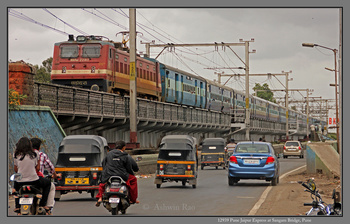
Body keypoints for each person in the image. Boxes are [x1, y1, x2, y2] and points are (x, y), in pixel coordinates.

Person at [13, 137, 51, 214]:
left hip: (20, 182)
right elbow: (38, 168)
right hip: (34, 181)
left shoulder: (16, 154)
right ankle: (43, 204)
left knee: (16, 189)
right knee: (48, 183)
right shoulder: (35, 153)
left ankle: (17, 206)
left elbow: (16, 170)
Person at [95, 140, 139, 206]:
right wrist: (131, 174)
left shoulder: (109, 154)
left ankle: (100, 197)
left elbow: (103, 164)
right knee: (133, 180)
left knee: (102, 183)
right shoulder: (125, 155)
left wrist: (105, 172)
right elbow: (129, 167)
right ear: (123, 147)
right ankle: (132, 199)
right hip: (122, 175)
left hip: (108, 175)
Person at [30, 138, 59, 213]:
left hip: (23, 180)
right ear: (39, 147)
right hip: (37, 179)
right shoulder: (41, 155)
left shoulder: (23, 155)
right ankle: (47, 207)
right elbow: (51, 168)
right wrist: (55, 175)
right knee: (50, 185)